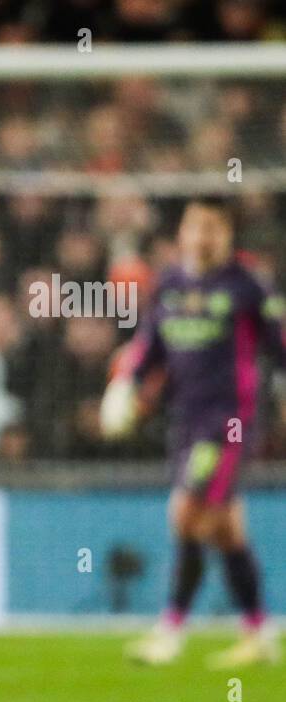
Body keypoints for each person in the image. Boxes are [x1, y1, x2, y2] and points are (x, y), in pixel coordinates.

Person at [102, 197, 284, 667]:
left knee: (186, 511)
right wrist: (127, 382)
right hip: (185, 418)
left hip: (230, 422)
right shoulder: (171, 283)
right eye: (195, 226)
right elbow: (151, 345)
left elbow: (280, 346)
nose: (203, 237)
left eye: (213, 228)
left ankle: (172, 629)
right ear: (182, 232)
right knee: (226, 529)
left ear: (227, 234)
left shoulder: (247, 286)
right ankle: (260, 633)